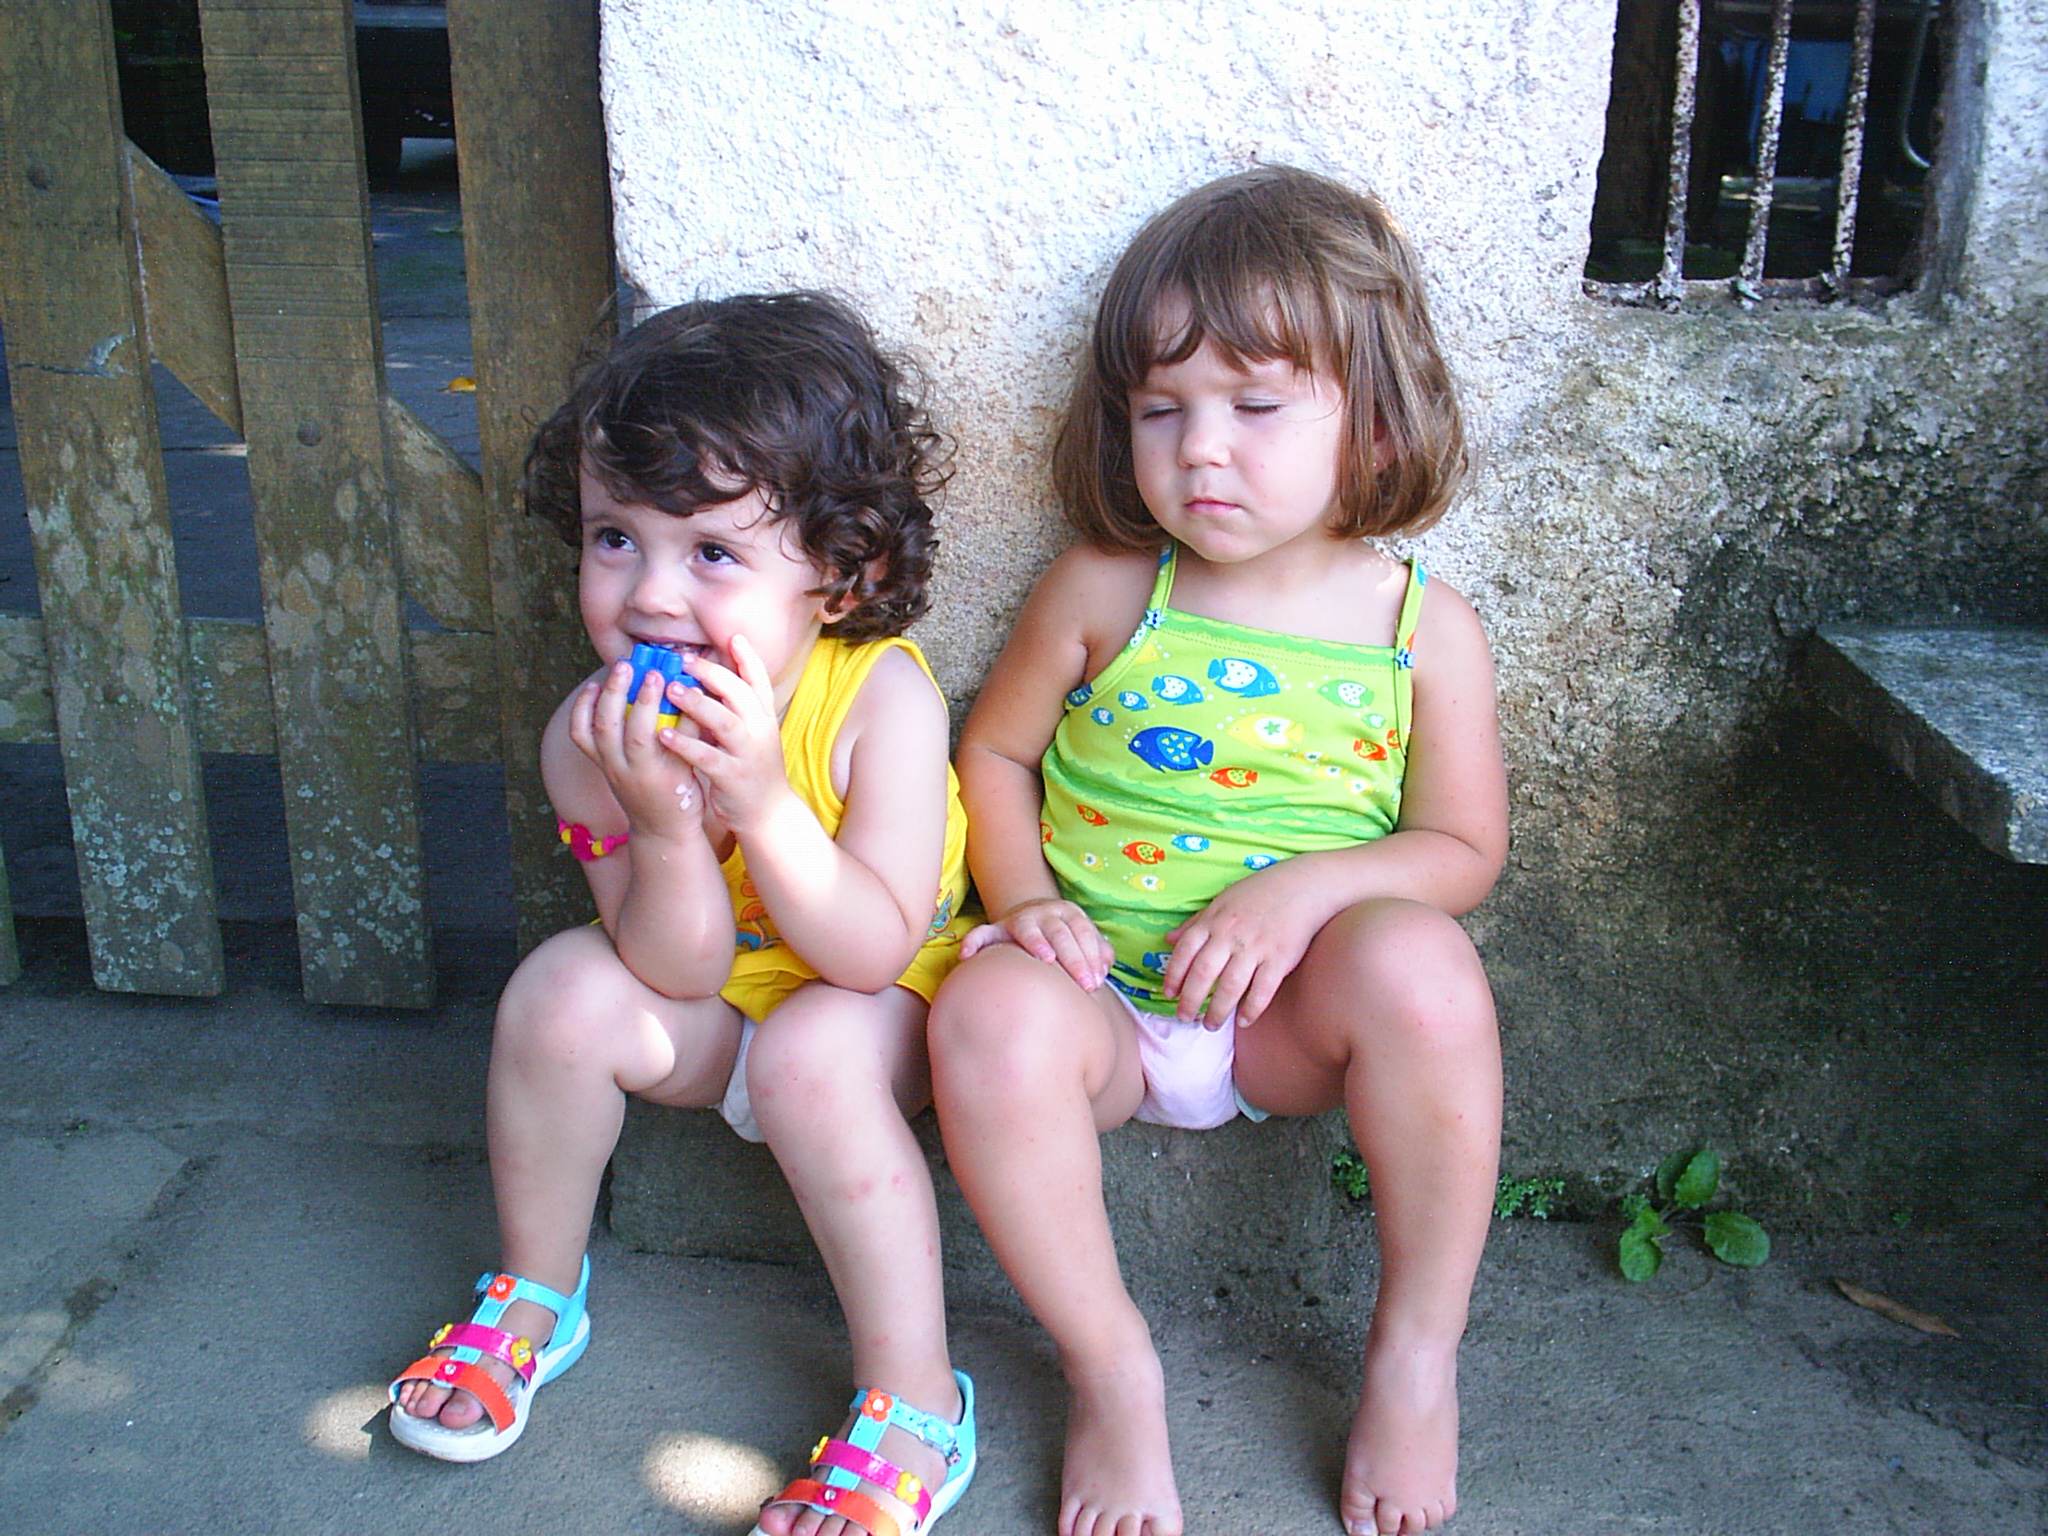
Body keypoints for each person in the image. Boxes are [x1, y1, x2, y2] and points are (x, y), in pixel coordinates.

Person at [927, 165, 1507, 1536]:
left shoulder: (1421, 631)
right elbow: (993, 757)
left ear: (1373, 420)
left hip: (1283, 1024)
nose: (1200, 450)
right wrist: (1026, 902)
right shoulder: (1104, 588)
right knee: (983, 1011)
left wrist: (1308, 889)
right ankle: (1109, 1370)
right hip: (1101, 1014)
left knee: (1428, 973)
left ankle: (1415, 1356)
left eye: (1254, 406)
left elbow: (1462, 847)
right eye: (1160, 409)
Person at [386, 292, 979, 1536]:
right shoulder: (590, 741)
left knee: (814, 1046)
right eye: (615, 538)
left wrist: (758, 802)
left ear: (842, 575)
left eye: (711, 552)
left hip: (882, 1015)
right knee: (558, 989)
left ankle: (916, 1399)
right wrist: (662, 828)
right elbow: (672, 971)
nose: (649, 594)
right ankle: (534, 1292)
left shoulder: (881, 701)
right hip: (717, 1007)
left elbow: (868, 950)